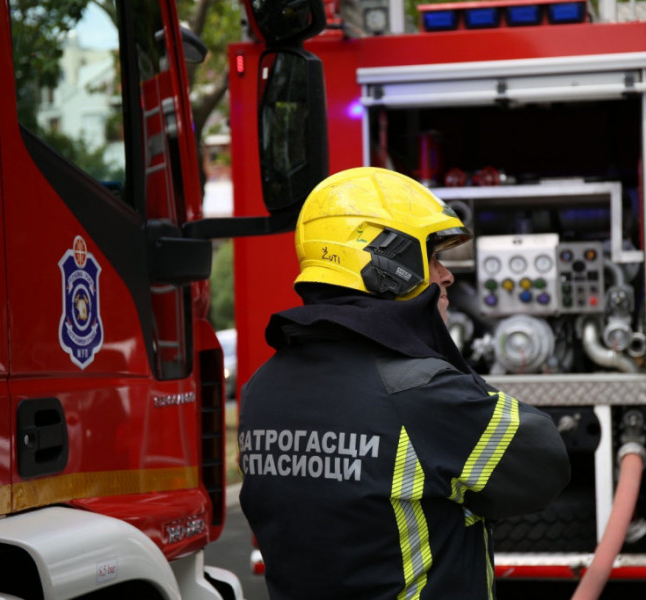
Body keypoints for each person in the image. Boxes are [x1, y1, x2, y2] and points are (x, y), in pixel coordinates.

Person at [238, 167, 570, 600]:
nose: (446, 276)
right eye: (432, 258)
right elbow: (544, 464)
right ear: (390, 263)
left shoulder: (261, 388)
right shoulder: (420, 391)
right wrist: (442, 354)